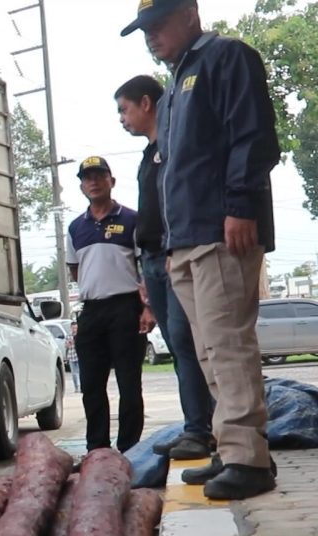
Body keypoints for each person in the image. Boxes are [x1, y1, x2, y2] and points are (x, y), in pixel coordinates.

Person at [123, 0, 280, 499]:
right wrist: (168, 244)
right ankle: (228, 448)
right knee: (208, 351)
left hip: (220, 230)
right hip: (185, 240)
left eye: (158, 24)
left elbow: (252, 137)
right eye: (143, 29)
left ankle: (249, 460)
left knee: (228, 344)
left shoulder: (225, 57)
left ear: (189, 12)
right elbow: (172, 171)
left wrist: (240, 205)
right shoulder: (172, 89)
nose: (151, 36)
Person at [115, 74, 215, 461]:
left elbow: (181, 202)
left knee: (185, 338)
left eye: (124, 110)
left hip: (176, 254)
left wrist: (176, 246)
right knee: (176, 345)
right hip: (152, 260)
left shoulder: (173, 148)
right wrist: (143, 272)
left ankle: (201, 429)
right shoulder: (147, 155)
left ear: (146, 103)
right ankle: (197, 424)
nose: (122, 119)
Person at [66, 156, 156, 454]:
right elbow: (75, 270)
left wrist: (148, 307)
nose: (93, 182)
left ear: (111, 181)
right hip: (92, 311)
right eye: (87, 177)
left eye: (99, 176)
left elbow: (147, 267)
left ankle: (130, 449)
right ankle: (98, 450)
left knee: (129, 384)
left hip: (126, 309)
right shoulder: (76, 227)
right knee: (91, 385)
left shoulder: (132, 219)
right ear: (81, 185)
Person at [66, 322, 80, 394]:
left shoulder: (80, 335)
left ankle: (80, 387)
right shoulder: (68, 336)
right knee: (74, 373)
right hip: (71, 356)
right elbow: (66, 346)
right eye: (73, 328)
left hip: (78, 356)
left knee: (80, 372)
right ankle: (76, 387)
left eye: (76, 328)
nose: (74, 329)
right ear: (71, 328)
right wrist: (69, 343)